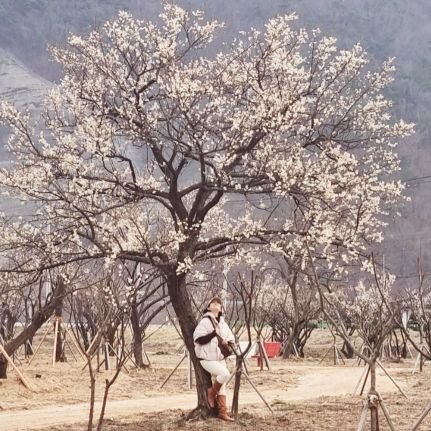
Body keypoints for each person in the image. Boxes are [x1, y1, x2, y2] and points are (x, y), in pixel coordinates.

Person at [193, 296, 235, 422]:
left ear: (221, 308)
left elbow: (231, 338)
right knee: (225, 374)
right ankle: (211, 393)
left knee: (223, 385)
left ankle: (222, 412)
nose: (216, 304)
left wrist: (228, 341)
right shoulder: (205, 321)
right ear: (209, 307)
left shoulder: (222, 322)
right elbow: (199, 339)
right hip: (206, 358)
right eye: (213, 303)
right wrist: (213, 333)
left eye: (218, 303)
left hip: (219, 356)